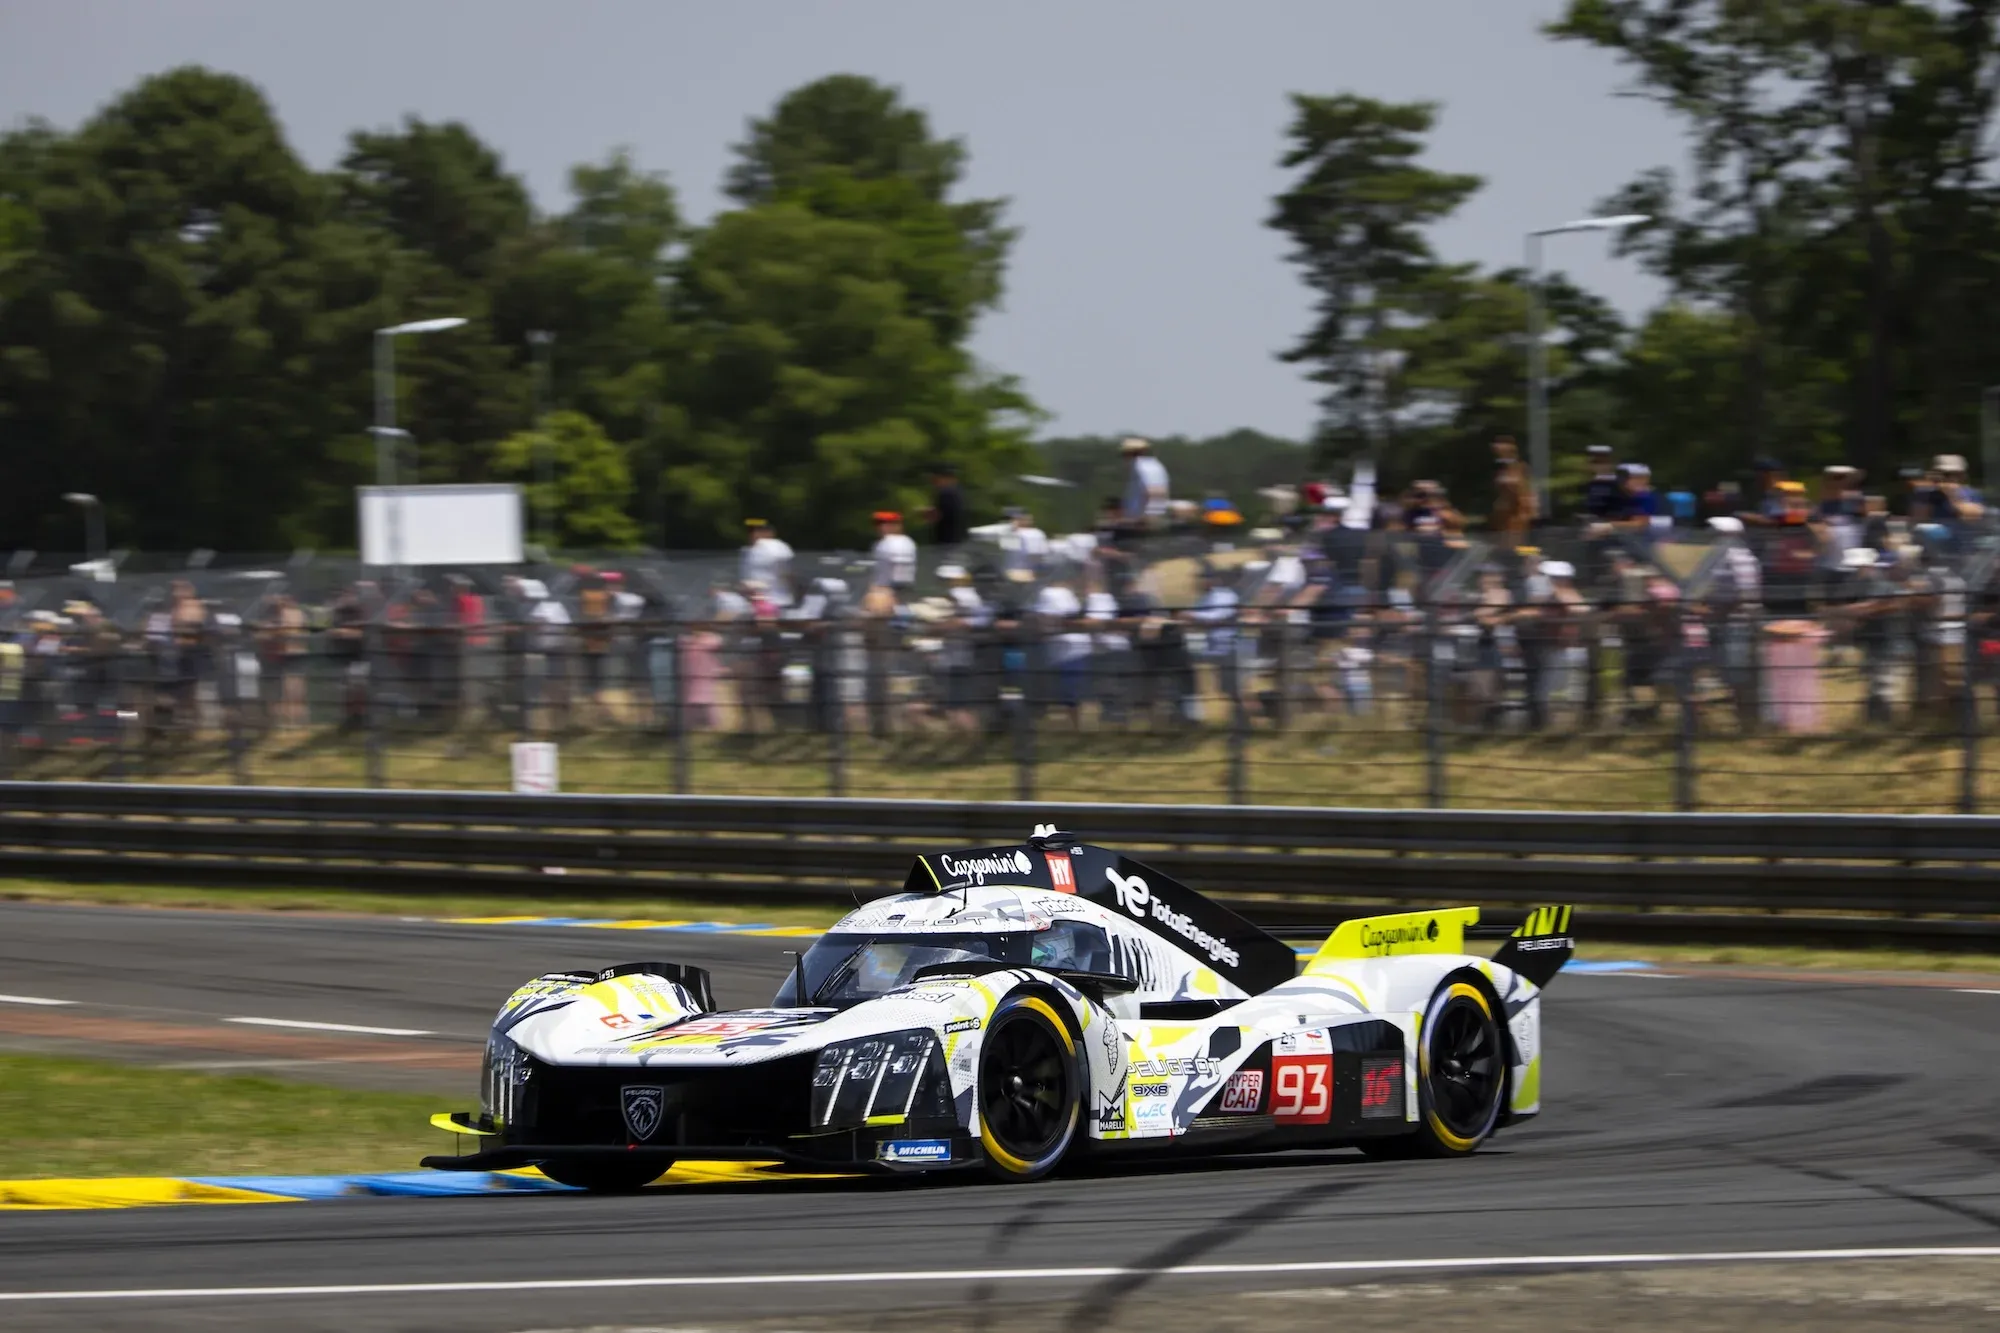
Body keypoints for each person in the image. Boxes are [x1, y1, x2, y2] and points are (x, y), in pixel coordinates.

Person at [739, 520, 795, 608]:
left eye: (757, 531)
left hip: (774, 599)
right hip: (754, 599)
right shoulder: (749, 550)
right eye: (751, 531)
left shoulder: (777, 547)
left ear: (769, 532)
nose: (752, 534)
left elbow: (787, 573)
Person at [1489, 437, 1536, 537]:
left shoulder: (1521, 469)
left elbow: (1526, 491)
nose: (1500, 457)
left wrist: (1525, 512)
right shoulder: (1501, 471)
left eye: (1502, 453)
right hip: (1501, 515)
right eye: (1497, 454)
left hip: (1516, 515)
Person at [1120, 436, 1170, 530]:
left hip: (1142, 521)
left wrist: (1148, 516)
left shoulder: (1141, 467)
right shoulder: (1154, 464)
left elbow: (1155, 491)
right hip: (1147, 517)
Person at [870, 511, 918, 599]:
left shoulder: (896, 543)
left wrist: (879, 590)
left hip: (890, 591)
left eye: (888, 524)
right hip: (888, 590)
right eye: (879, 523)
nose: (882, 527)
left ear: (898, 526)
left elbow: (901, 576)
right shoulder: (905, 541)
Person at [1000, 507, 1049, 579]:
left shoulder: (1033, 533)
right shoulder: (1034, 533)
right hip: (1021, 573)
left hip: (1020, 573)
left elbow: (1036, 556)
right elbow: (1037, 556)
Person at [927, 464, 967, 550]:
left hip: (947, 540)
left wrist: (929, 513)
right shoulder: (958, 492)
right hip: (958, 539)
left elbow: (939, 514)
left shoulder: (946, 493)